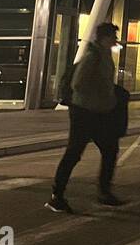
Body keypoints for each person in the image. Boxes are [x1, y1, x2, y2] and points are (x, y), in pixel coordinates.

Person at [47, 23, 125, 213]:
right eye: (113, 37)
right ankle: (57, 196)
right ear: (105, 38)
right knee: (74, 152)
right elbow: (78, 83)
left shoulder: (104, 56)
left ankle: (104, 192)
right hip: (85, 112)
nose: (115, 40)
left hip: (98, 112)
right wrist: (101, 95)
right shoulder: (92, 56)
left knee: (110, 149)